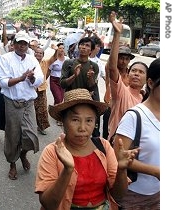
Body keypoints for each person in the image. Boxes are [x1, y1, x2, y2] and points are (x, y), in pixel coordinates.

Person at [35, 88, 140, 210]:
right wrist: (68, 170)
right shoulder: (52, 152)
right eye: (75, 120)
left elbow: (118, 195)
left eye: (89, 120)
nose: (82, 128)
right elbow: (48, 204)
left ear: (95, 122)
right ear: (63, 121)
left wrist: (121, 170)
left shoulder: (103, 146)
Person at [113, 58, 160, 209]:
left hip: (159, 194)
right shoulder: (134, 116)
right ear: (151, 84)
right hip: (133, 195)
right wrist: (155, 171)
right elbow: (118, 157)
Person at [0, 31, 44, 180]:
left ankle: (22, 154)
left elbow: (40, 79)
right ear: (14, 44)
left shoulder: (32, 59)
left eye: (25, 43)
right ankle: (12, 164)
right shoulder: (5, 59)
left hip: (29, 103)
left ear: (28, 45)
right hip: (12, 103)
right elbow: (3, 82)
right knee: (13, 135)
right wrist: (21, 78)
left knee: (31, 135)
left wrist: (32, 78)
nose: (22, 46)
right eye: (19, 43)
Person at [106, 11, 148, 143]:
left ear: (148, 80)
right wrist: (117, 34)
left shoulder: (146, 99)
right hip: (117, 147)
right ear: (128, 74)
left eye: (141, 72)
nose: (136, 73)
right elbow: (112, 68)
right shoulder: (122, 91)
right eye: (134, 70)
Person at [60, 37, 100, 136]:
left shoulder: (93, 66)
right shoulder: (69, 63)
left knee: (84, 130)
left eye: (87, 46)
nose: (83, 47)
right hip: (71, 102)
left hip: (86, 103)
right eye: (82, 44)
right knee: (70, 130)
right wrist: (74, 76)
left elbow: (92, 87)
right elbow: (62, 83)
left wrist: (90, 78)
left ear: (91, 50)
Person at [34, 46, 57, 135]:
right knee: (30, 109)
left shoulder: (45, 62)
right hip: (31, 89)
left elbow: (54, 58)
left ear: (43, 55)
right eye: (37, 52)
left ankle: (41, 127)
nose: (38, 54)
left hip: (41, 89)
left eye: (40, 53)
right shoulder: (30, 62)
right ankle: (30, 127)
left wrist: (56, 50)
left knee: (42, 109)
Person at [49, 42, 69, 126]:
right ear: (57, 49)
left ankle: (54, 111)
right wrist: (43, 81)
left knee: (60, 99)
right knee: (59, 99)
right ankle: (59, 118)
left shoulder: (67, 59)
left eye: (63, 48)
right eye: (60, 48)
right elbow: (48, 70)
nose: (61, 50)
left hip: (63, 81)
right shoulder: (54, 59)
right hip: (54, 80)